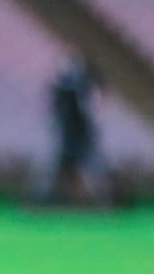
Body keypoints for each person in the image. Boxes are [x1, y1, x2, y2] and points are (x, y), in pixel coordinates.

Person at [26, 50, 117, 209]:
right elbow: (53, 108)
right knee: (51, 166)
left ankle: (105, 199)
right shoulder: (60, 88)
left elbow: (95, 105)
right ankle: (38, 199)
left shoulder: (87, 86)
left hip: (83, 133)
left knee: (94, 166)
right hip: (64, 134)